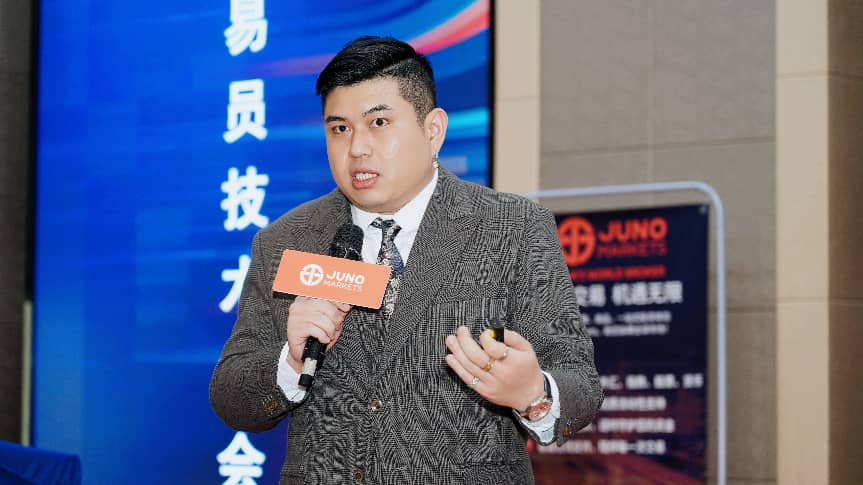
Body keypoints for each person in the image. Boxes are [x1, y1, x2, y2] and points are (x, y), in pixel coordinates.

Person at [210, 36, 602, 485]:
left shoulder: (513, 228)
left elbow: (580, 382)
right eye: (339, 129)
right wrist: (290, 363)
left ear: (433, 130)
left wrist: (533, 394)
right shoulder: (286, 241)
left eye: (378, 122)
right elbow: (231, 396)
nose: (357, 148)